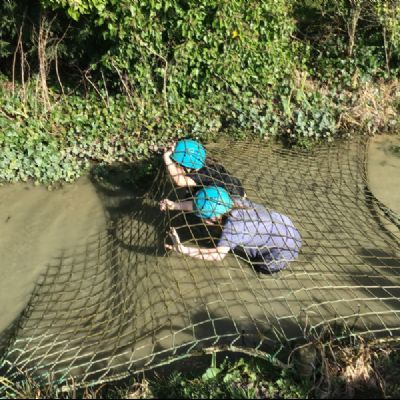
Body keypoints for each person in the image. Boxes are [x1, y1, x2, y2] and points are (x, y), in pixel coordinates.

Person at [160, 186, 302, 274]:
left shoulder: (234, 227)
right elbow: (205, 203)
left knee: (260, 268)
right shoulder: (234, 202)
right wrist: (174, 205)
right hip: (287, 227)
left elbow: (217, 255)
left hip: (282, 254)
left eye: (202, 217)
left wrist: (182, 249)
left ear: (214, 217)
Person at [163, 139, 246, 198]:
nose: (175, 165)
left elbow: (180, 181)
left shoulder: (200, 175)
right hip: (238, 190)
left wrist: (166, 157)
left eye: (176, 164)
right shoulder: (207, 163)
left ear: (186, 166)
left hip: (231, 198)